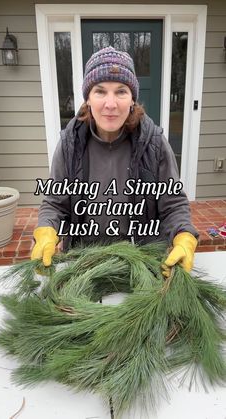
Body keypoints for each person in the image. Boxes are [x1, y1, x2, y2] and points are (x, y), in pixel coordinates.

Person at [31, 46, 198, 277]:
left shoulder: (155, 143)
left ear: (132, 100)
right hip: (84, 264)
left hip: (144, 262)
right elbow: (55, 203)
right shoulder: (70, 144)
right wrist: (47, 230)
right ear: (88, 99)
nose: (111, 104)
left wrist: (184, 237)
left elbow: (173, 204)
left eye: (121, 91)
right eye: (100, 91)